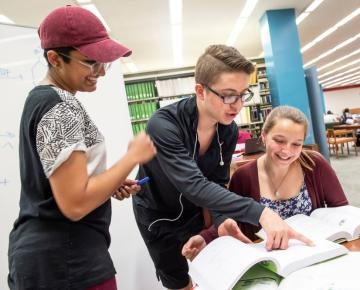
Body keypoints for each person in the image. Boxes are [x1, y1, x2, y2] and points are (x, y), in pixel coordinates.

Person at [132, 45, 312, 290]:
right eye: (228, 95)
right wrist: (263, 213)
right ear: (200, 91)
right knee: (178, 280)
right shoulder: (163, 125)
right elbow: (193, 184)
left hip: (194, 213)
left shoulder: (228, 130)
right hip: (159, 214)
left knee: (208, 274)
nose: (237, 105)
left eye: (242, 94)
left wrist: (221, 219)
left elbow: (215, 182)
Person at [7, 6, 156, 290]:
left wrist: (108, 184)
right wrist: (132, 157)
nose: (100, 71)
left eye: (103, 62)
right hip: (66, 262)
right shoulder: (59, 107)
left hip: (51, 260)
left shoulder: (43, 101)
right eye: (91, 62)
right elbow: (74, 204)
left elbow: (63, 189)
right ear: (55, 59)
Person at [182, 106, 348, 260]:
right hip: (269, 259)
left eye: (296, 144)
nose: (287, 151)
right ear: (263, 136)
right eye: (279, 140)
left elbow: (341, 211)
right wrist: (205, 238)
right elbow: (230, 221)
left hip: (315, 252)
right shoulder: (243, 177)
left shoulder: (315, 164)